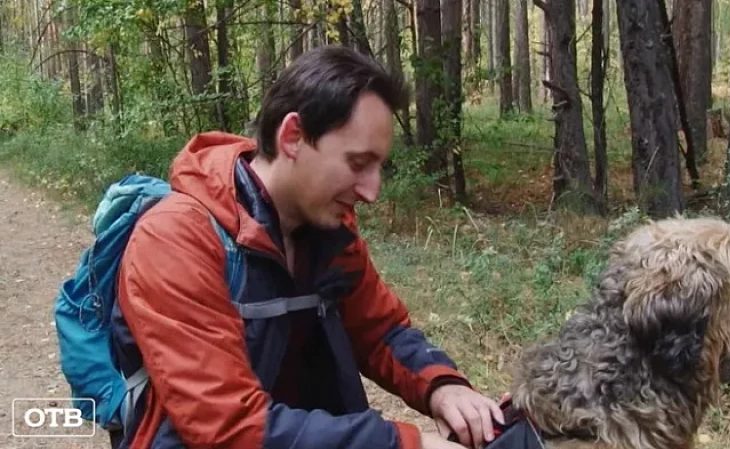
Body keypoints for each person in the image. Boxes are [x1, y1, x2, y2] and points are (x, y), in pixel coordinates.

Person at [110, 45, 504, 449]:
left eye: (378, 166)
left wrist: (441, 384)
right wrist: (405, 444)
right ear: (293, 136)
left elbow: (380, 330)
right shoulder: (177, 239)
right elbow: (228, 426)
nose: (372, 191)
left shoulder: (329, 234)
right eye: (357, 163)